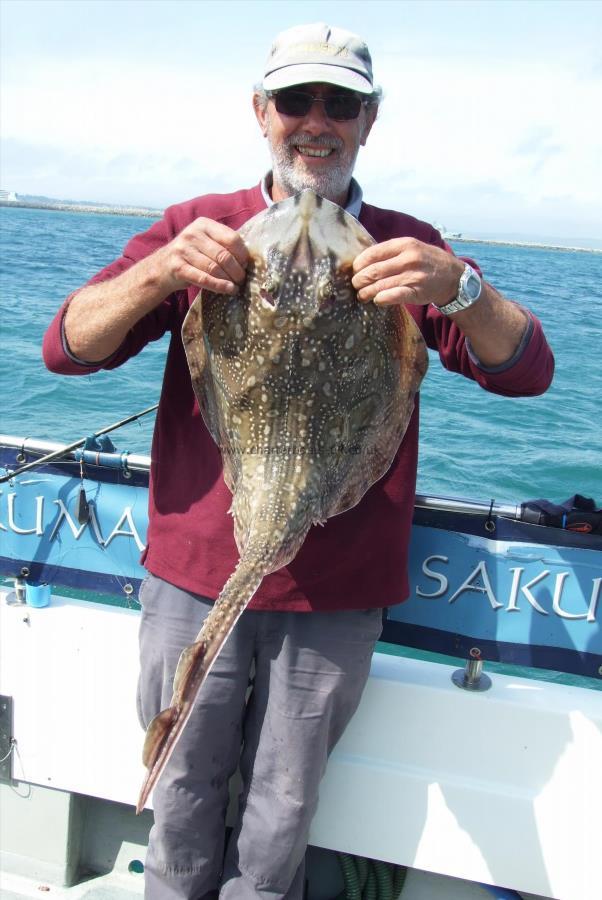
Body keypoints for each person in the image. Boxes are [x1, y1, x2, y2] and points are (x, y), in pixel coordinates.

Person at [43, 22, 554, 900]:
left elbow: (529, 372)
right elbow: (67, 348)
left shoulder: (403, 248)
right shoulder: (199, 232)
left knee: (282, 812)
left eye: (340, 104)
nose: (316, 122)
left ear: (368, 120)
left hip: (335, 594)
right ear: (261, 112)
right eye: (296, 101)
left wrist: (458, 287)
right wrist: (165, 270)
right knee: (182, 795)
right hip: (196, 575)